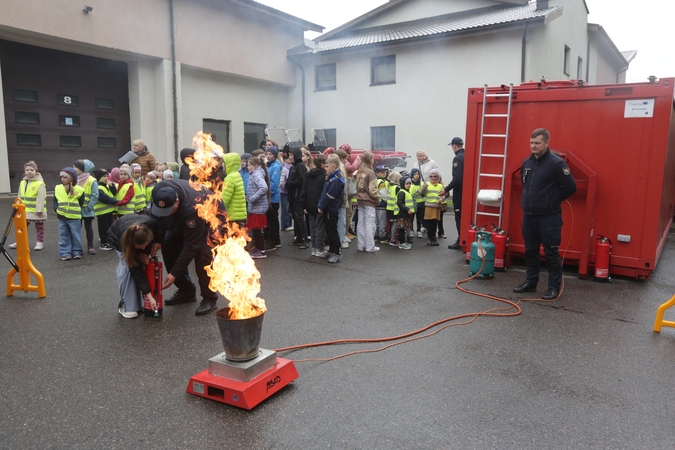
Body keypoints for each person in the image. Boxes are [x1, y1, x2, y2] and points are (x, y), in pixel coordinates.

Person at [514, 128, 577, 300]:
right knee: (530, 251)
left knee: (551, 252)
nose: (533, 146)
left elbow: (571, 187)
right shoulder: (527, 163)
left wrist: (553, 200)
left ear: (546, 143)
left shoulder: (556, 164)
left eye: (537, 143)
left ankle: (553, 287)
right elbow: (525, 184)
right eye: (531, 143)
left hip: (549, 217)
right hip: (529, 215)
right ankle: (531, 282)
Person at [150, 179, 223, 315]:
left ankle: (209, 298)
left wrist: (174, 274)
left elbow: (192, 245)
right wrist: (158, 239)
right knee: (168, 247)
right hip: (180, 218)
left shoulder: (192, 207)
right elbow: (157, 218)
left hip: (209, 220)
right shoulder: (158, 191)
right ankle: (186, 291)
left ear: (176, 201)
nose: (165, 212)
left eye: (168, 210)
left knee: (203, 256)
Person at [107, 214, 164, 318]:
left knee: (143, 264)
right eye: (140, 247)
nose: (144, 249)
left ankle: (142, 304)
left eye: (146, 246)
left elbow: (160, 227)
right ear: (133, 245)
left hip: (136, 227)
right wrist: (150, 296)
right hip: (116, 235)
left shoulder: (151, 224)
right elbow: (136, 273)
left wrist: (157, 242)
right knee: (127, 270)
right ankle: (128, 306)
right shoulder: (125, 244)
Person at [8, 161, 47, 251]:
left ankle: (39, 242)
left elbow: (41, 197)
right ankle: (20, 241)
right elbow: (19, 195)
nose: (29, 171)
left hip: (36, 210)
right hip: (24, 209)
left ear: (36, 171)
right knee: (22, 226)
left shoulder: (39, 183)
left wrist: (39, 209)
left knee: (39, 226)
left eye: (32, 170)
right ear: (25, 171)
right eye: (27, 170)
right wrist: (18, 206)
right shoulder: (23, 182)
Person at [318, 154, 345, 263]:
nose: (325, 168)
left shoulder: (335, 180)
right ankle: (332, 250)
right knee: (329, 231)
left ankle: (337, 253)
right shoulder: (331, 178)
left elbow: (330, 195)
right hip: (328, 208)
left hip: (331, 209)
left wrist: (321, 206)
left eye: (327, 166)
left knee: (333, 231)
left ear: (334, 167)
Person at [54, 167, 84, 260]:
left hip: (74, 217)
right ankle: (64, 253)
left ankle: (76, 251)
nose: (63, 179)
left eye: (65, 177)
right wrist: (56, 208)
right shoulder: (58, 188)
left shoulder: (79, 189)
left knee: (76, 235)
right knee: (63, 236)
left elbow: (81, 202)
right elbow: (55, 201)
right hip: (62, 217)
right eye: (61, 177)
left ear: (72, 179)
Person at [441, 137, 465, 249]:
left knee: (459, 217)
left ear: (454, 146)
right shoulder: (466, 155)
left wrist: (446, 189)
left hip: (459, 192)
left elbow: (457, 178)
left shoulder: (457, 158)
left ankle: (461, 240)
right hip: (467, 191)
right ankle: (464, 239)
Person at [302, 154, 327, 257]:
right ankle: (320, 249)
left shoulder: (308, 175)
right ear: (322, 164)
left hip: (309, 205)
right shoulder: (324, 176)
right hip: (320, 205)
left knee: (312, 227)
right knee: (320, 227)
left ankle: (314, 248)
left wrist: (304, 205)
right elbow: (324, 192)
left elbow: (304, 190)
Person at [355, 151, 380, 252]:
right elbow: (372, 190)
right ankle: (370, 246)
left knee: (361, 223)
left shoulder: (359, 171)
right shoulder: (370, 172)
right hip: (369, 201)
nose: (373, 161)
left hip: (360, 200)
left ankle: (361, 245)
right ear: (369, 160)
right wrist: (377, 198)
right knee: (370, 224)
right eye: (373, 159)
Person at [246, 156, 270, 259]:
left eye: (249, 165)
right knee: (255, 229)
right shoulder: (254, 174)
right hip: (255, 207)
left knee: (257, 229)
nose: (248, 167)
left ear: (255, 166)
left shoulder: (257, 175)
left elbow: (264, 187)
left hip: (258, 207)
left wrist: (252, 198)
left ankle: (261, 250)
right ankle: (258, 247)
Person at [73, 159, 98, 255]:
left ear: (84, 169)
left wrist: (89, 206)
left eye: (76, 167)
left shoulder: (92, 180)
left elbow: (95, 195)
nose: (74, 169)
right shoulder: (74, 179)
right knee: (76, 229)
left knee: (88, 227)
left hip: (87, 209)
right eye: (73, 167)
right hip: (76, 209)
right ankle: (77, 248)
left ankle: (90, 246)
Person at [286, 147, 309, 248]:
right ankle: (298, 237)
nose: (290, 157)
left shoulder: (300, 166)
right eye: (289, 155)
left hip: (297, 196)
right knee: (295, 217)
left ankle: (305, 239)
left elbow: (302, 180)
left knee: (299, 218)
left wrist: (291, 184)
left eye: (292, 155)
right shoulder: (293, 167)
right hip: (292, 196)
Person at [92, 168, 118, 250]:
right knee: (103, 228)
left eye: (107, 176)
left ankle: (108, 240)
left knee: (109, 227)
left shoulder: (106, 186)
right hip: (102, 212)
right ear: (99, 178)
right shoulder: (98, 187)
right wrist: (115, 201)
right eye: (104, 176)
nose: (106, 178)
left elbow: (114, 193)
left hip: (109, 211)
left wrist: (112, 186)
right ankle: (103, 243)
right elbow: (104, 198)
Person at [221, 152, 247, 228]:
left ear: (229, 164)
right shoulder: (237, 174)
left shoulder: (230, 178)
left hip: (233, 215)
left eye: (224, 163)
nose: (223, 165)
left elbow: (225, 199)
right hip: (240, 213)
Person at [419, 168, 444, 246]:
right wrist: (424, 187)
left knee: (435, 223)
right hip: (429, 207)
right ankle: (430, 238)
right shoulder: (427, 185)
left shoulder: (440, 186)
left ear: (438, 177)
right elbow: (421, 192)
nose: (433, 178)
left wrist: (442, 199)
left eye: (435, 176)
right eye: (431, 176)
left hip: (437, 207)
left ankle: (433, 237)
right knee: (429, 223)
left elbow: (444, 195)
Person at [264, 145, 282, 249]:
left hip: (272, 198)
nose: (268, 156)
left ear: (275, 155)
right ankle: (272, 239)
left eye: (270, 154)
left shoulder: (275, 167)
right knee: (270, 219)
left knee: (273, 219)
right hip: (268, 197)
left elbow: (274, 184)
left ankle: (275, 240)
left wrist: (268, 194)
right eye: (267, 154)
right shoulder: (269, 165)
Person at [395, 176, 415, 250]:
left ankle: (403, 242)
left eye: (410, 183)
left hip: (406, 214)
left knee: (403, 229)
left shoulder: (407, 192)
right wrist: (407, 209)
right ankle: (401, 243)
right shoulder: (402, 192)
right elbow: (400, 203)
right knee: (401, 229)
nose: (409, 185)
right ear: (403, 184)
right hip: (401, 214)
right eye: (407, 183)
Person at [374, 165, 389, 244]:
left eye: (385, 172)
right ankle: (382, 237)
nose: (384, 173)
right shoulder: (382, 182)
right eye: (382, 172)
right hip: (382, 204)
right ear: (377, 173)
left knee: (376, 222)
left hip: (375, 204)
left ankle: (376, 236)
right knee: (382, 222)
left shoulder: (375, 181)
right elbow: (384, 195)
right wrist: (388, 201)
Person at [386, 171, 402, 247]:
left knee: (391, 224)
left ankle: (390, 237)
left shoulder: (390, 186)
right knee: (395, 224)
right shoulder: (397, 188)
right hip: (395, 209)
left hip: (389, 208)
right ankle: (393, 239)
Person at [279, 152, 293, 231]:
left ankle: (289, 224)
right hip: (284, 191)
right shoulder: (284, 169)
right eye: (288, 158)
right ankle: (285, 224)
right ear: (284, 160)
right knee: (285, 208)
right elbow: (283, 180)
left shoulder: (290, 168)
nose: (290, 159)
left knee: (289, 208)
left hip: (289, 191)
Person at [409, 168, 424, 238]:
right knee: (411, 218)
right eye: (415, 174)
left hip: (421, 203)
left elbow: (424, 192)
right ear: (412, 175)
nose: (416, 176)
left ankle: (419, 230)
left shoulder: (422, 183)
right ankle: (411, 230)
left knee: (419, 218)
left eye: (418, 174)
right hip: (412, 204)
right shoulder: (410, 184)